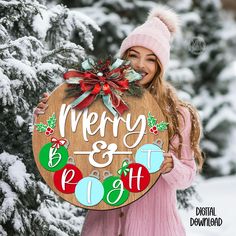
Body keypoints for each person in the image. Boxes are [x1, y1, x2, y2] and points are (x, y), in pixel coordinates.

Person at [35, 5, 204, 236]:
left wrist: (171, 165)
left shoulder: (176, 113)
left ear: (160, 67)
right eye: (133, 55)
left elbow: (188, 174)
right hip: (102, 227)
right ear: (123, 59)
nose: (139, 65)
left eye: (150, 59)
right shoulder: (98, 101)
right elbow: (67, 143)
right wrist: (47, 115)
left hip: (155, 228)